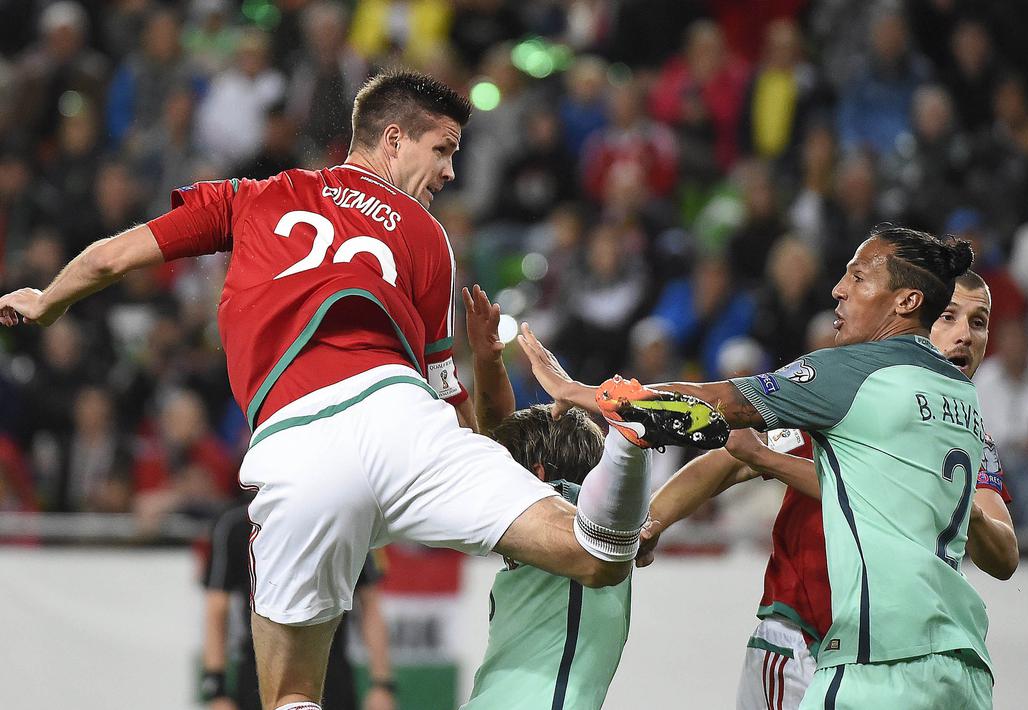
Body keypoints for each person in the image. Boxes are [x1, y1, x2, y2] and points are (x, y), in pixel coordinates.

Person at [0, 70, 680, 710]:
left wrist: (49, 301)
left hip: (299, 444)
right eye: (442, 150)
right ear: (392, 140)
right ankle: (626, 445)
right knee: (594, 557)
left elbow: (109, 257)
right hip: (402, 418)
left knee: (291, 691)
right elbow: (450, 407)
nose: (449, 171)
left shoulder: (248, 197)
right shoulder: (426, 236)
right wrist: (503, 468)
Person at [524, 226, 995, 708]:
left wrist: (585, 394)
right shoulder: (966, 402)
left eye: (857, 277)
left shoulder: (853, 375)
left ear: (906, 302)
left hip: (878, 661)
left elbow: (712, 405)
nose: (838, 289)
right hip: (963, 664)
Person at [636, 269, 1017, 709]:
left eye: (979, 322)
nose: (964, 335)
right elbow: (729, 461)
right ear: (915, 317)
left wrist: (963, 507)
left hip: (904, 658)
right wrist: (652, 519)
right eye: (949, 317)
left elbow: (1004, 557)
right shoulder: (853, 394)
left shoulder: (975, 437)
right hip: (805, 636)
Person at [460, 285, 638, 710]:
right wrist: (488, 360)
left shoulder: (580, 516)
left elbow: (500, 449)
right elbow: (500, 439)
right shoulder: (578, 519)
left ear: (538, 476)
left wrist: (583, 394)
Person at [201, 501, 395, 710]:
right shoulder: (235, 525)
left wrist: (382, 684)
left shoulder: (344, 519)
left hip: (329, 674)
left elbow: (370, 604)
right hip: (261, 673)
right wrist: (217, 689)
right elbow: (217, 609)